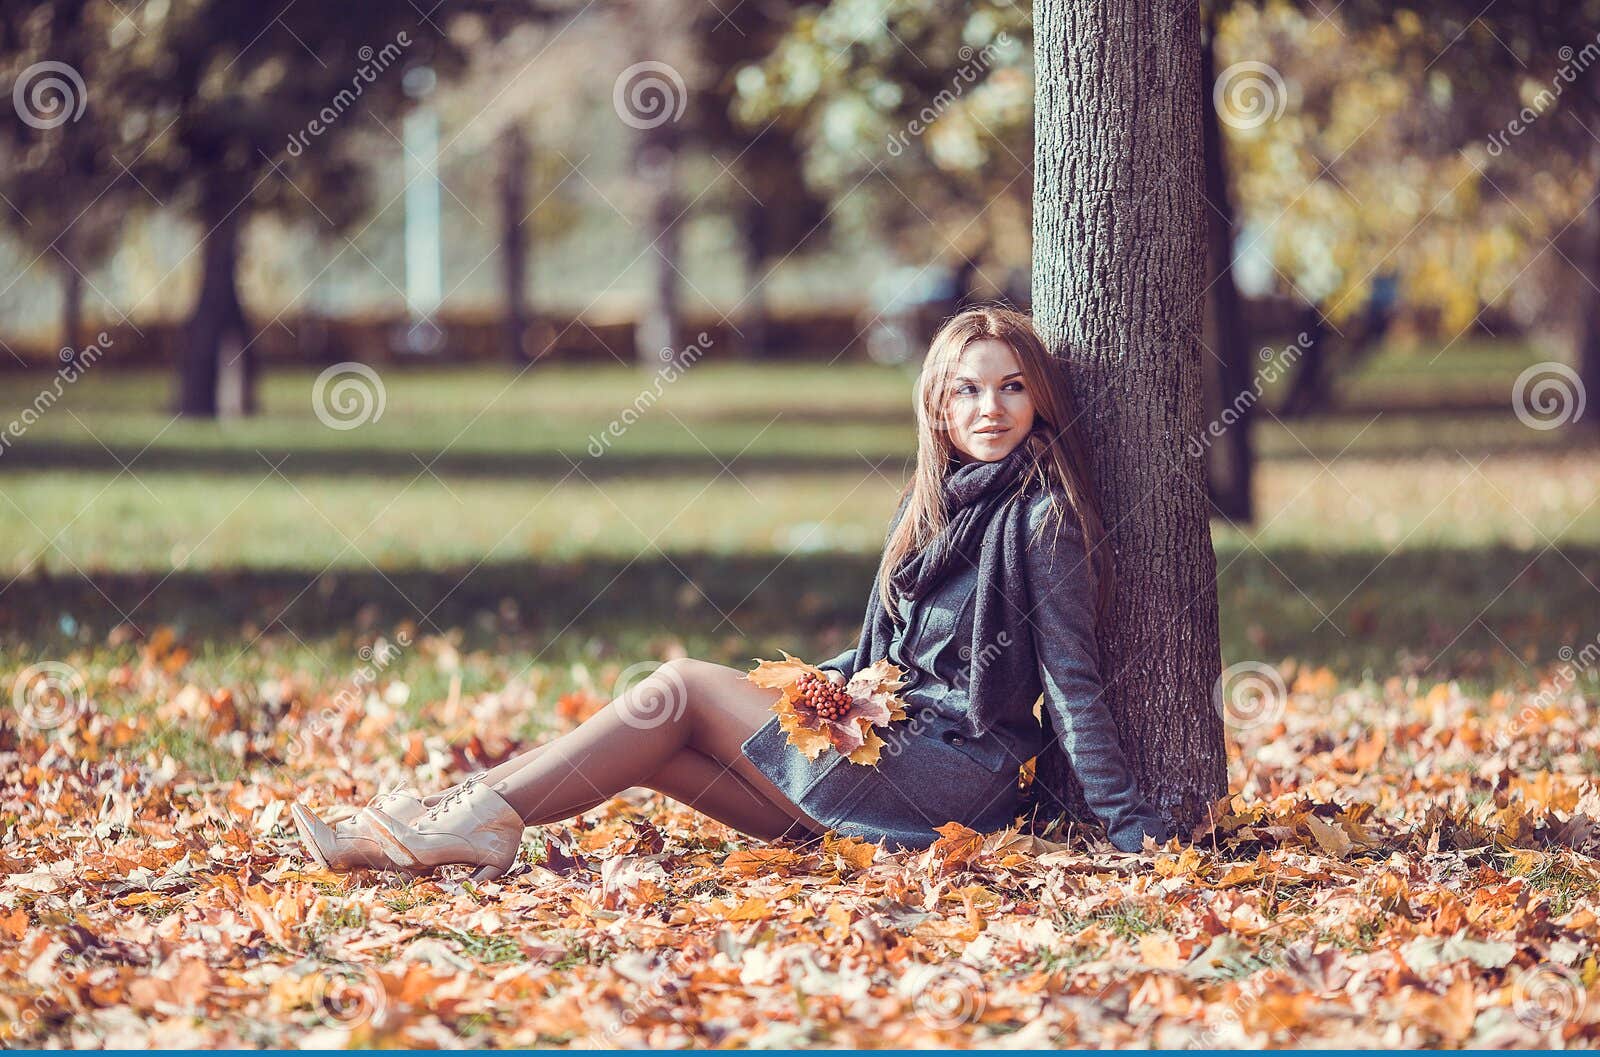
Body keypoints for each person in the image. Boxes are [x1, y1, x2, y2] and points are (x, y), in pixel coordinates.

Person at [291, 305, 1171, 881]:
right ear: (936, 409)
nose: (991, 408)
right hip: (885, 742)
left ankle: (461, 819)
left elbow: (1072, 682)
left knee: (674, 689)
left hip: (957, 772)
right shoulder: (933, 506)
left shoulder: (1043, 520)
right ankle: (437, 824)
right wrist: (822, 688)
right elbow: (886, 657)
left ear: (1041, 398)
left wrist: (1133, 830)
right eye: (967, 390)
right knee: (659, 748)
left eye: (1013, 387)